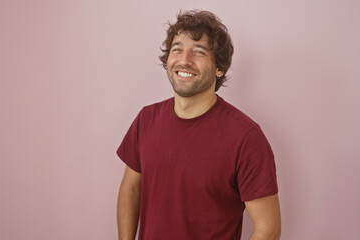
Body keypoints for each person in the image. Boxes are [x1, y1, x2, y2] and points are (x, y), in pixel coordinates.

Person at [116, 10, 281, 240]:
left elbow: (268, 228)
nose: (184, 60)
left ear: (219, 68)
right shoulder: (146, 120)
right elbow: (131, 189)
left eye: (198, 52)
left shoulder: (246, 138)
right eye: (177, 50)